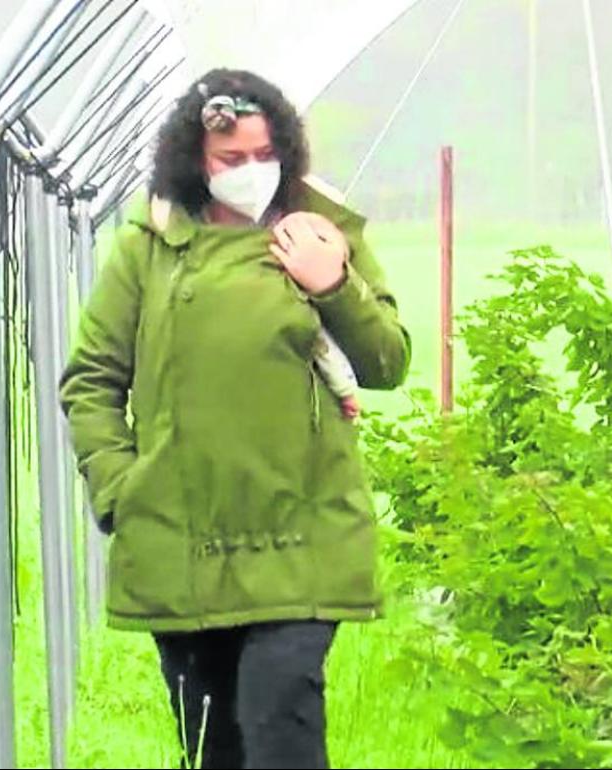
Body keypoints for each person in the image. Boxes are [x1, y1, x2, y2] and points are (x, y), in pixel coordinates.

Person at [59, 68, 411, 769]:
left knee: (281, 724)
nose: (251, 172)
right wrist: (121, 490)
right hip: (181, 542)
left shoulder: (321, 230)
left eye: (263, 155)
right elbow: (92, 380)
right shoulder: (149, 247)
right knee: (214, 747)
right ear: (195, 161)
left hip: (304, 541)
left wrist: (334, 285)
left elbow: (386, 361)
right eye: (231, 159)